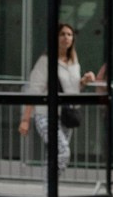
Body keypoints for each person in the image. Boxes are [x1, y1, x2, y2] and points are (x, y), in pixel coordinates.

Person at [20, 22, 86, 170]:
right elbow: (34, 90)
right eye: (62, 34)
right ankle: (50, 189)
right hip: (46, 114)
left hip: (66, 115)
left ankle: (49, 189)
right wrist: (26, 119)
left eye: (69, 34)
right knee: (63, 152)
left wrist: (84, 81)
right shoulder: (45, 61)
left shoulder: (74, 62)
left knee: (56, 156)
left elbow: (73, 88)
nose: (66, 38)